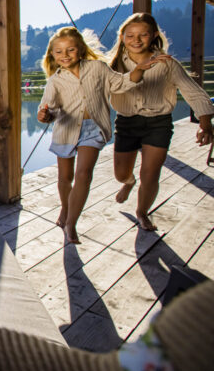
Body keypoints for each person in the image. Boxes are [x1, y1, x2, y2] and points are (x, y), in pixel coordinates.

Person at [37, 26, 166, 244]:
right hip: (65, 130)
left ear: (80, 49)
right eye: (59, 52)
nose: (65, 55)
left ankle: (71, 223)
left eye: (70, 50)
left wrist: (140, 69)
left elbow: (121, 83)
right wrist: (45, 115)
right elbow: (49, 109)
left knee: (84, 174)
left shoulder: (98, 68)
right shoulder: (54, 81)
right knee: (65, 178)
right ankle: (65, 208)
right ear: (52, 54)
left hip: (93, 128)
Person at [108, 12, 214, 231]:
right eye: (130, 35)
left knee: (150, 174)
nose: (136, 40)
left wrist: (205, 123)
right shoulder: (113, 65)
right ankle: (129, 182)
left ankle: (142, 212)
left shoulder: (167, 64)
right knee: (121, 174)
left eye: (143, 34)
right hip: (127, 123)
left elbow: (193, 92)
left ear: (154, 35)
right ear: (122, 37)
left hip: (159, 123)